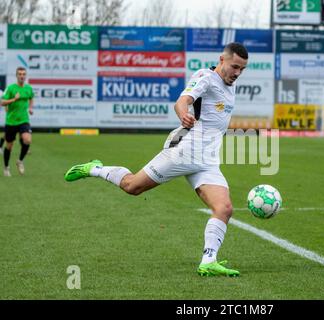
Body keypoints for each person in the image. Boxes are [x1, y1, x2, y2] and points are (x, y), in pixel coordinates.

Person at [64, 42, 249, 277]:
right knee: (132, 186)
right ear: (222, 59)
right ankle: (95, 168)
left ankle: (208, 261)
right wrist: (184, 115)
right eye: (235, 67)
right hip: (184, 151)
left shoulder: (230, 84)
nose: (237, 73)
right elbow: (182, 101)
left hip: (208, 160)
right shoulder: (206, 77)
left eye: (242, 69)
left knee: (224, 208)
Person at [1, 67, 34, 176]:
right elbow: (2, 102)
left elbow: (31, 98)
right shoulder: (11, 88)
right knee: (9, 146)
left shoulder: (28, 88)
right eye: (19, 74)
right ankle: (6, 167)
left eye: (24, 74)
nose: (22, 76)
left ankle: (20, 161)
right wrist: (13, 100)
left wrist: (30, 108)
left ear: (25, 76)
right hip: (11, 121)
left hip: (24, 119)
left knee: (27, 140)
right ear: (16, 75)